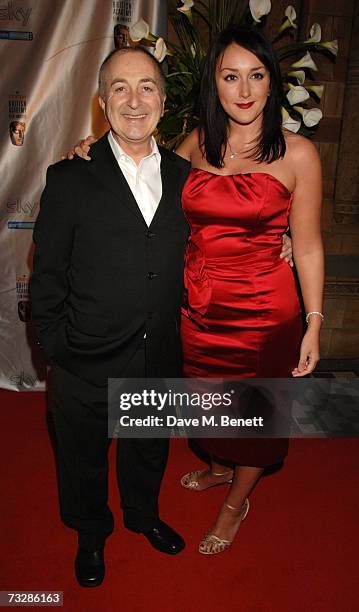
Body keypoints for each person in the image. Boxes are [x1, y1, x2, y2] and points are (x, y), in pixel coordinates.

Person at [30, 46, 191, 588]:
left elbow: (219, 243)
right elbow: (47, 275)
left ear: (164, 101)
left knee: (148, 448)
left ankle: (143, 516)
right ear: (103, 102)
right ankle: (92, 533)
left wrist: (280, 246)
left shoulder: (187, 177)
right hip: (85, 358)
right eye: (119, 88)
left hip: (158, 353)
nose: (134, 99)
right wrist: (57, 346)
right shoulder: (70, 177)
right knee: (83, 459)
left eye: (147, 86)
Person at [175, 25, 324, 554]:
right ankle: (219, 466)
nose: (244, 90)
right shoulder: (193, 142)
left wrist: (313, 323)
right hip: (200, 308)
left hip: (264, 313)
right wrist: (90, 151)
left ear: (272, 82)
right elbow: (142, 193)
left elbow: (306, 246)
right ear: (213, 83)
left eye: (256, 76)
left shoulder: (298, 154)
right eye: (230, 76)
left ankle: (236, 504)